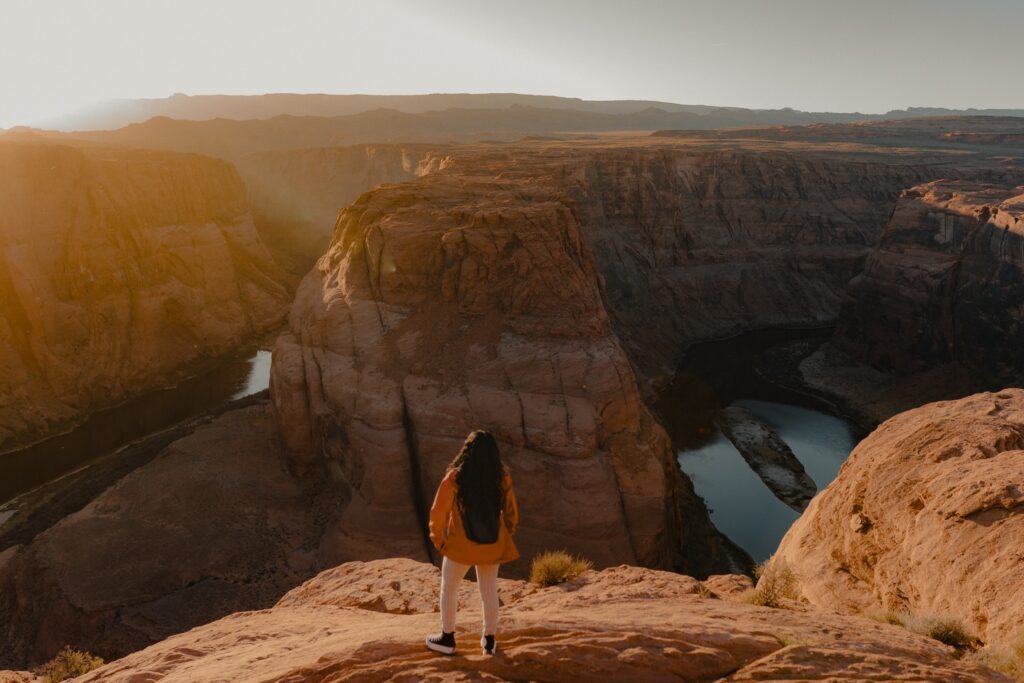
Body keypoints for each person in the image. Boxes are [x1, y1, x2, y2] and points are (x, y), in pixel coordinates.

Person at [425, 430, 519, 656]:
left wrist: (439, 541)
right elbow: (511, 514)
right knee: (488, 591)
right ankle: (489, 641)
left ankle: (447, 639)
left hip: (460, 548)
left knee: (449, 588)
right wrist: (503, 537)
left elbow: (438, 512)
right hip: (492, 545)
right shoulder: (502, 478)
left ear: (467, 452)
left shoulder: (455, 478)